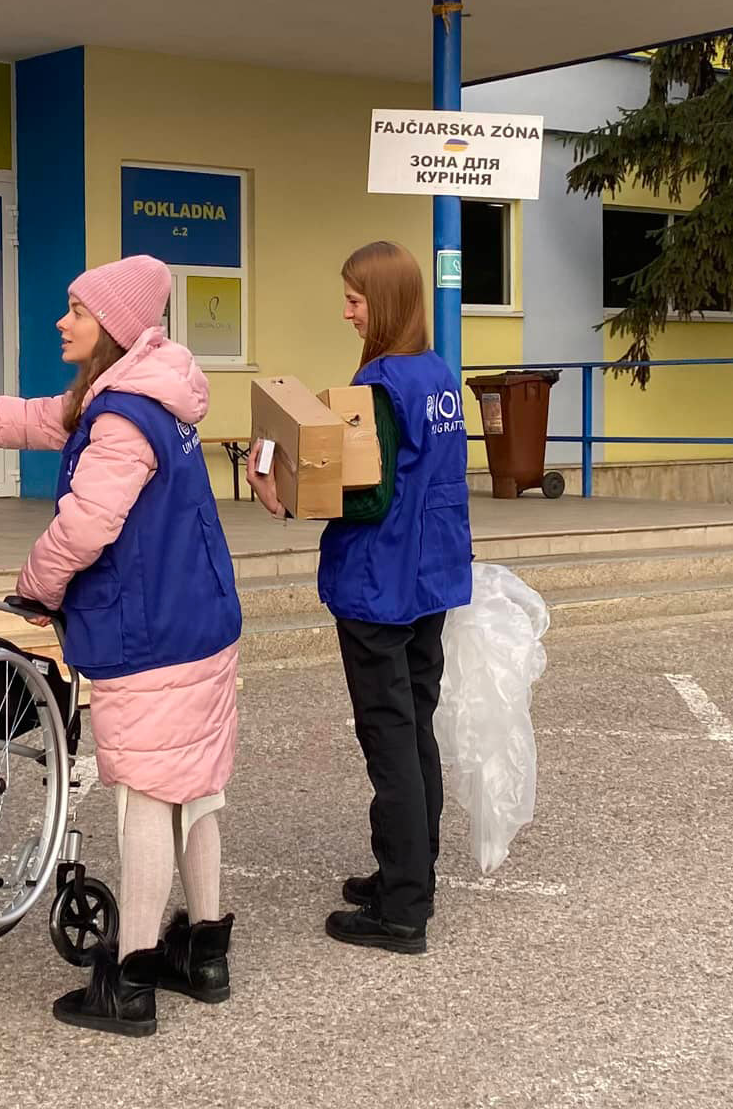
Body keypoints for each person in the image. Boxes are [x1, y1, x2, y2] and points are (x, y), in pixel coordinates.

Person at [0, 255, 241, 1038]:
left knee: (143, 795)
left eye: (76, 310)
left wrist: (36, 585)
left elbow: (88, 526)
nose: (62, 321)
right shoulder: (147, 395)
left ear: (116, 327)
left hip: (151, 634)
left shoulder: (123, 416)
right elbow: (29, 419)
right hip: (199, 618)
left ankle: (129, 980)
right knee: (195, 789)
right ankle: (205, 951)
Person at [247, 240, 471, 956]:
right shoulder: (438, 376)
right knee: (417, 726)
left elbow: (361, 497)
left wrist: (279, 488)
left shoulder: (375, 387)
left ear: (389, 302)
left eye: (356, 298)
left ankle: (402, 911)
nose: (346, 310)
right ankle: (411, 873)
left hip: (379, 582)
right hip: (431, 576)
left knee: (389, 739)